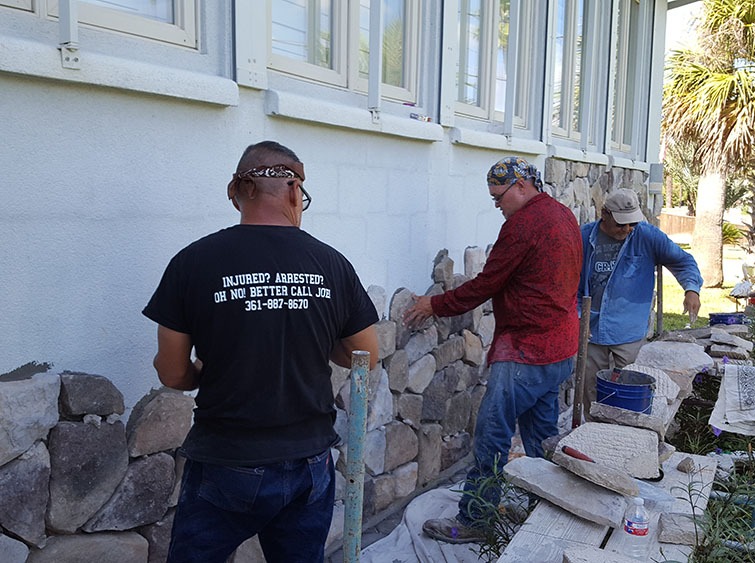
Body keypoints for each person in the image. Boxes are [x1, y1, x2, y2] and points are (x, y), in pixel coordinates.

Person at [142, 140, 379, 563]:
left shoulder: (193, 262)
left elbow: (172, 372)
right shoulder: (332, 264)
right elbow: (364, 357)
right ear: (294, 192)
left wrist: (201, 373)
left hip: (226, 459)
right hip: (309, 460)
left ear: (236, 191)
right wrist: (317, 338)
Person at [403, 157, 582, 543]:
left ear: (520, 186)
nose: (496, 205)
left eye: (498, 197)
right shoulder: (562, 214)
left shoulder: (523, 225)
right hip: (559, 348)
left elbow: (485, 284)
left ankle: (476, 519)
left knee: (491, 438)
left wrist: (433, 304)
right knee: (542, 438)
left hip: (526, 351)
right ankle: (544, 512)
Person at [578, 188, 703, 418]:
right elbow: (570, 280)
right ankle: (594, 435)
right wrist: (578, 317)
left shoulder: (646, 235)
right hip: (591, 329)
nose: (627, 230)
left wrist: (691, 289)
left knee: (631, 388)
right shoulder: (585, 237)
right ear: (605, 214)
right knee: (591, 390)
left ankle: (626, 436)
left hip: (630, 329)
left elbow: (683, 261)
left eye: (632, 224)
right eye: (621, 224)